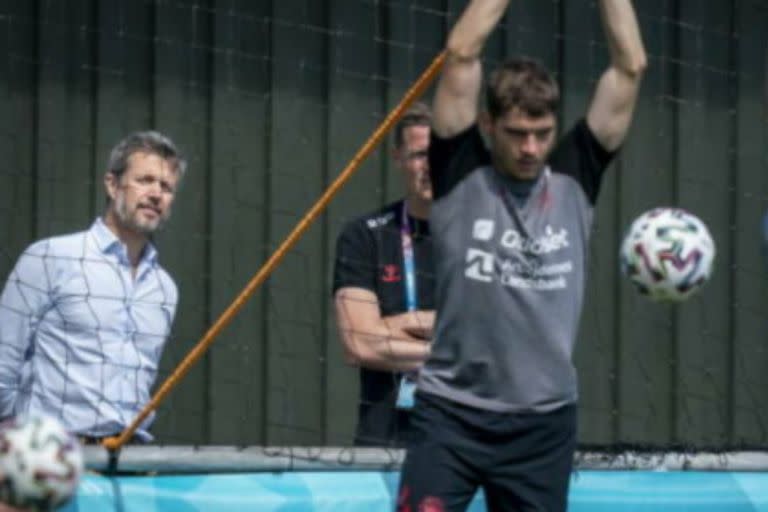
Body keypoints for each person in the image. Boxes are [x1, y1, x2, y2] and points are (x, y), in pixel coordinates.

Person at [397, 0, 646, 510]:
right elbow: (463, 51)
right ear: (489, 125)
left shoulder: (577, 174)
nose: (530, 148)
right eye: (516, 134)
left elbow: (630, 66)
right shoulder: (460, 172)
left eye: (541, 134)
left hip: (542, 424)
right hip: (451, 415)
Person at [0, 131, 186, 444]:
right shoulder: (50, 257)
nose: (156, 193)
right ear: (112, 185)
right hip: (51, 457)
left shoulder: (164, 289)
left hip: (130, 462)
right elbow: (3, 365)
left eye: (166, 187)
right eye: (145, 180)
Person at [333, 103, 436, 447]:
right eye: (420, 155)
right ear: (399, 158)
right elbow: (358, 342)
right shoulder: (366, 235)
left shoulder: (482, 235)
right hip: (385, 441)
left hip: (466, 439)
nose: (430, 166)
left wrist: (394, 325)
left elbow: (492, 343)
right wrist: (449, 340)